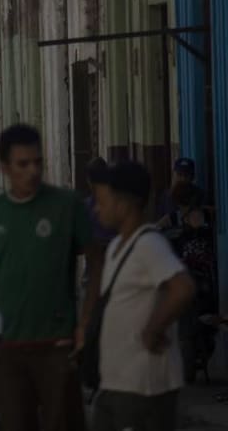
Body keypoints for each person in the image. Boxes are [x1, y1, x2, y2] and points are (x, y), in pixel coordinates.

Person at [0, 124, 99, 431]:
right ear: (5, 168)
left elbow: (96, 261)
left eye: (38, 162)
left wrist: (86, 323)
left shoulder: (66, 205)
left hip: (57, 346)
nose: (32, 171)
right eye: (23, 164)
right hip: (10, 346)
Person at [87, 160, 195, 431]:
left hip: (143, 387)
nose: (97, 208)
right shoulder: (115, 247)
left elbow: (182, 287)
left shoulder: (149, 244)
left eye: (103, 201)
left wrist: (153, 328)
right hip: (115, 382)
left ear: (124, 204)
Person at [159, 179, 218, 383]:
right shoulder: (207, 214)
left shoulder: (174, 218)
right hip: (208, 277)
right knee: (208, 316)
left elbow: (155, 232)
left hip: (185, 277)